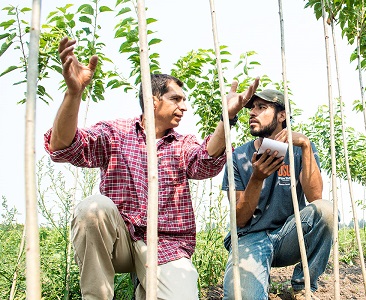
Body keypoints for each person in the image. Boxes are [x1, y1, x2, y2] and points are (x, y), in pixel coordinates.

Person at [44, 37, 259, 299]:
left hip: (166, 246)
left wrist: (228, 117)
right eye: (176, 99)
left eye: (184, 100)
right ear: (153, 99)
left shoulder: (181, 144)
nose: (184, 106)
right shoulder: (115, 133)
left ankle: (147, 287)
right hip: (119, 241)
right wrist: (74, 93)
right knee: (92, 208)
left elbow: (206, 160)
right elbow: (63, 146)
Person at [221, 89, 334, 300]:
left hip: (289, 235)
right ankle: (258, 275)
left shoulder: (300, 150)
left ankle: (303, 286)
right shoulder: (238, 157)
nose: (252, 113)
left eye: (261, 107)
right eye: (251, 108)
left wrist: (307, 147)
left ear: (282, 115)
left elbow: (315, 198)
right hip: (250, 238)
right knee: (242, 297)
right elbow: (240, 219)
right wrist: (257, 178)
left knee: (327, 210)